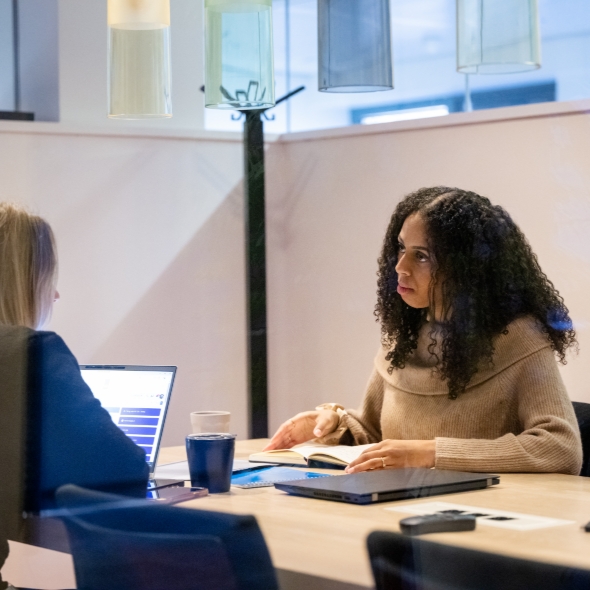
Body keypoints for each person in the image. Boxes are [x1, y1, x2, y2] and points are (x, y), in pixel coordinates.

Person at [265, 187, 583, 476]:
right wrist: (333, 425)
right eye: (401, 248)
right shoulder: (404, 335)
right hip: (400, 507)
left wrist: (430, 452)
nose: (400, 267)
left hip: (481, 520)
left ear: (466, 268)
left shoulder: (518, 338)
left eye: (421, 256)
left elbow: (561, 448)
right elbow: (376, 433)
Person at [0, 203, 149, 588]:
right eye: (46, 277)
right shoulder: (29, 353)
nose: (56, 293)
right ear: (20, 280)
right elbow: (124, 471)